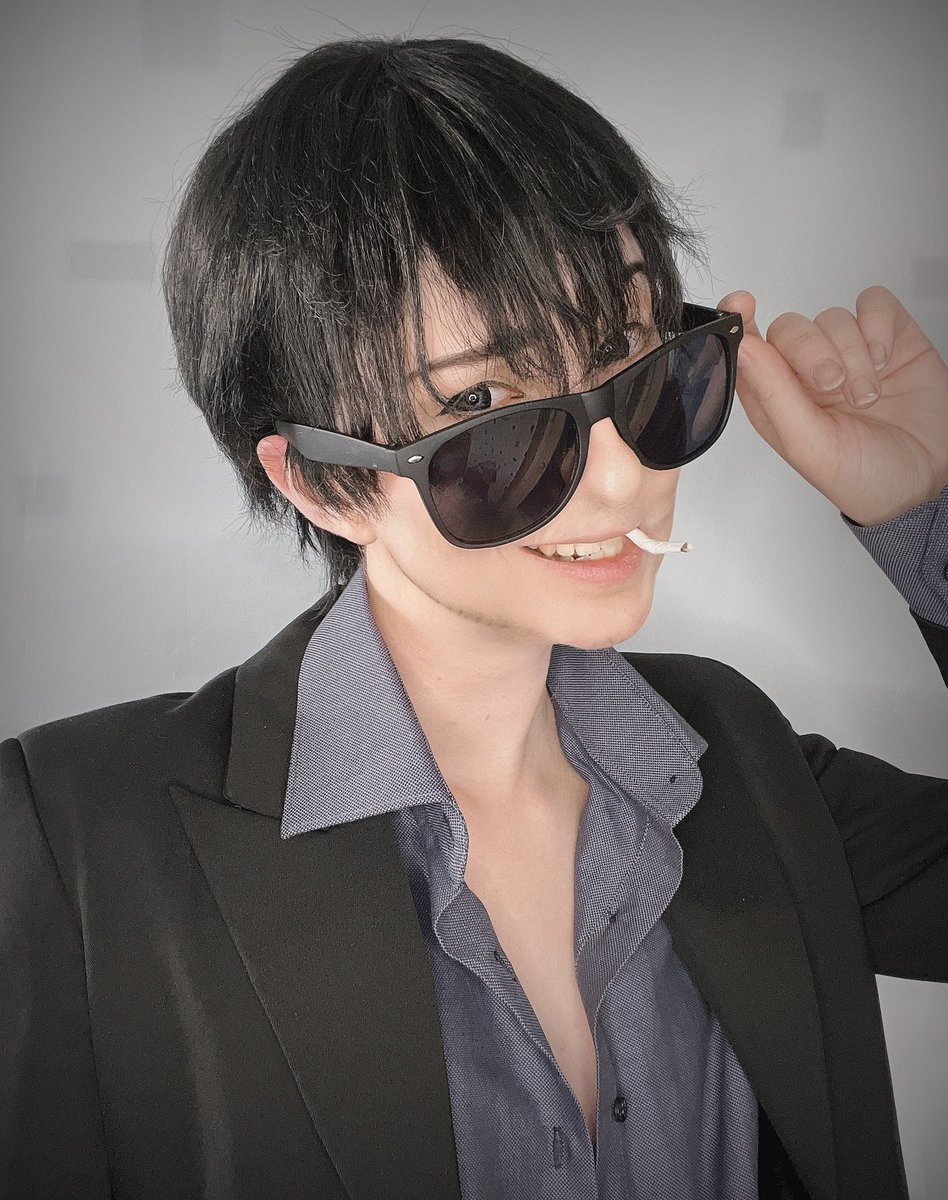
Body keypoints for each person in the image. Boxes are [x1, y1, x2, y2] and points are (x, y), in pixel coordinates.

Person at [2, 34, 946, 1200]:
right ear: (321, 482)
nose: (621, 476)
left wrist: (926, 510)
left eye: (630, 353)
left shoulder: (741, 761)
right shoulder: (76, 846)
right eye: (488, 403)